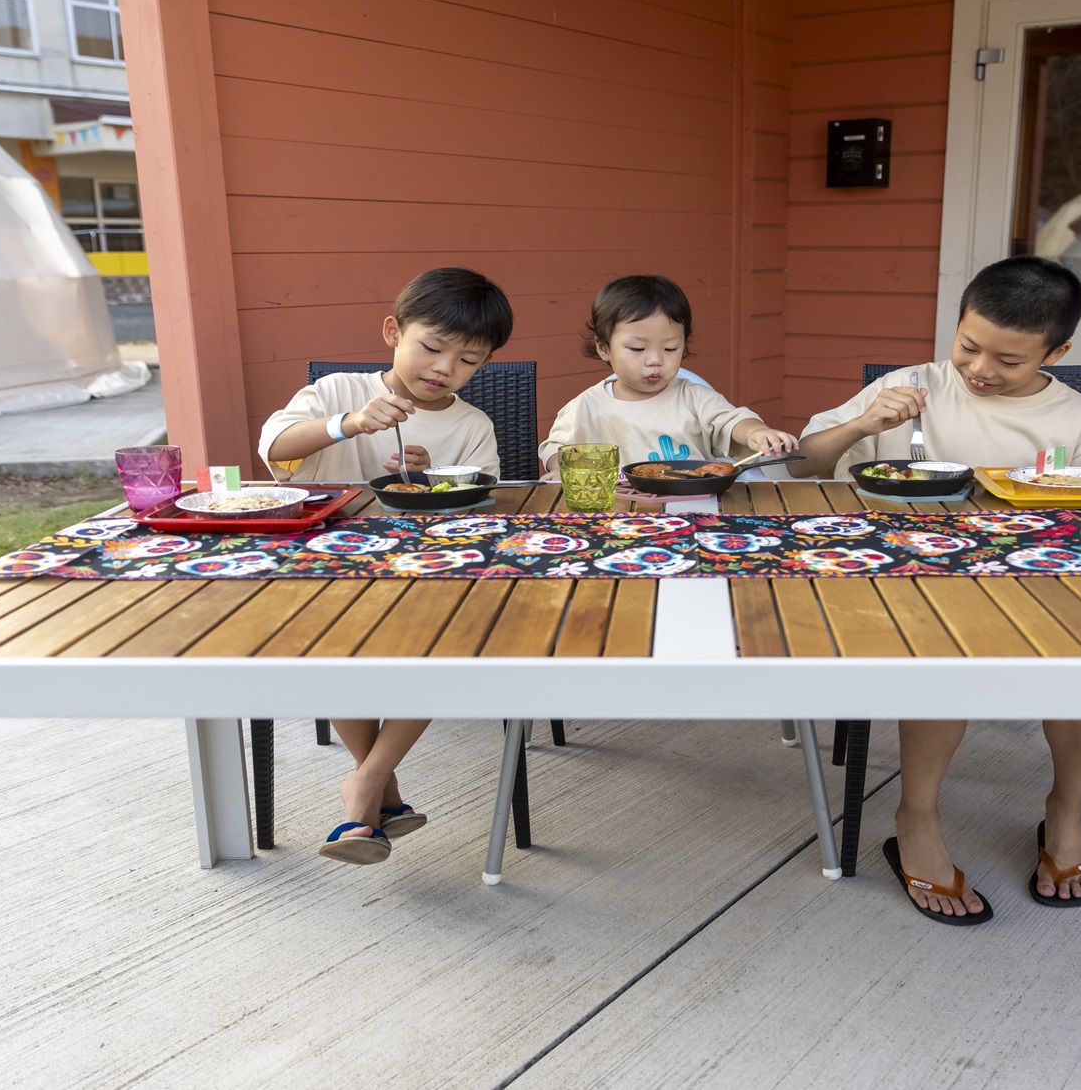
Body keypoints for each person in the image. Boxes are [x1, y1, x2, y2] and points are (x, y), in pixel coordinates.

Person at [790, 256, 1081, 924]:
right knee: (947, 645)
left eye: (1009, 360)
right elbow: (803, 464)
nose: (979, 369)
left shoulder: (1073, 416)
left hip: (1033, 577)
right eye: (968, 345)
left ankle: (1067, 811)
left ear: (1058, 351)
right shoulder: (914, 386)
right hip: (915, 574)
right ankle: (917, 815)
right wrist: (861, 426)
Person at [257, 265, 512, 866]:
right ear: (393, 331)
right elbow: (274, 447)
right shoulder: (341, 392)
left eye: (469, 360)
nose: (445, 368)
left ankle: (366, 786)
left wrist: (421, 480)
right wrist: (349, 427)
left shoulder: (473, 425)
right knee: (330, 637)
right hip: (332, 567)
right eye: (432, 346)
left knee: (450, 638)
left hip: (433, 574)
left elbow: (484, 507)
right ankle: (383, 789)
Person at [539, 275, 797, 474]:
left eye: (670, 348)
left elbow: (731, 420)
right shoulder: (587, 406)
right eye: (638, 348)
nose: (655, 360)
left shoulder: (694, 398)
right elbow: (555, 447)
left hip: (693, 507)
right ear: (604, 348)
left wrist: (756, 432)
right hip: (615, 511)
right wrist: (560, 468)